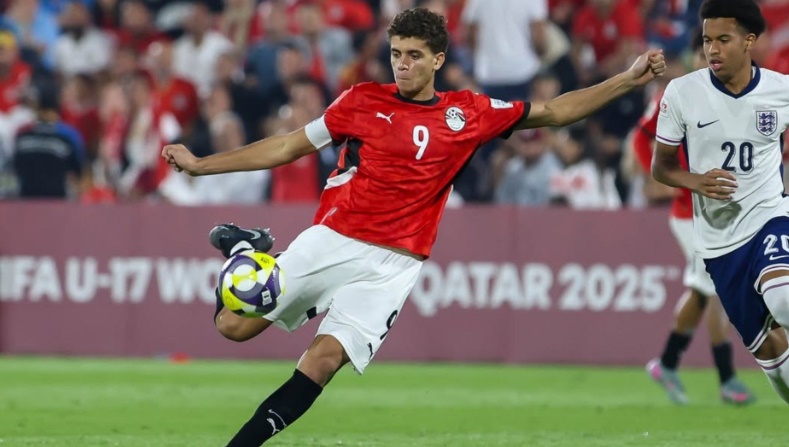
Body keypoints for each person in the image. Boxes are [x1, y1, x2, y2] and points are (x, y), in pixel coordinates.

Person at [163, 8, 666, 446]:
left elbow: (555, 111)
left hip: (395, 265)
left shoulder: (467, 113)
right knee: (233, 327)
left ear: (438, 60)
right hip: (335, 237)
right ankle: (246, 250)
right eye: (396, 54)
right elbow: (288, 145)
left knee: (322, 362)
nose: (402, 64)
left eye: (414, 55)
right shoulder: (361, 101)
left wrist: (628, 79)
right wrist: (203, 165)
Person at [653, 0, 789, 405]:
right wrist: (695, 181)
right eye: (707, 40)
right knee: (777, 368)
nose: (713, 49)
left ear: (749, 40)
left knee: (783, 295)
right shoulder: (682, 93)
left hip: (769, 217)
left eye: (723, 39)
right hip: (719, 244)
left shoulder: (780, 90)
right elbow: (661, 167)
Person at [637, 31, 756, 405]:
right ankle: (725, 379)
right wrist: (663, 178)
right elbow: (641, 138)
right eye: (705, 53)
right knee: (713, 288)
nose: (710, 60)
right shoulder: (677, 95)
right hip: (689, 214)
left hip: (722, 213)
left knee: (706, 292)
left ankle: (669, 363)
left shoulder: (736, 96)